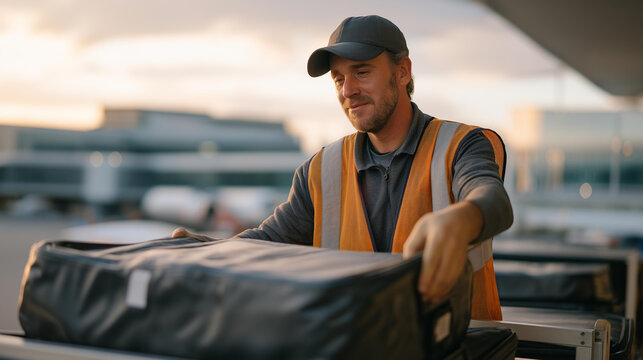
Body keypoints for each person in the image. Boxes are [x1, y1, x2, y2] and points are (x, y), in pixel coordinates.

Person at [173, 15, 513, 321]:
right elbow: (266, 243)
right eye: (338, 78)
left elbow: (493, 200)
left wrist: (460, 220)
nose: (348, 91)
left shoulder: (461, 144)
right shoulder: (321, 170)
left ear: (402, 71)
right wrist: (206, 249)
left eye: (362, 72)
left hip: (456, 347)